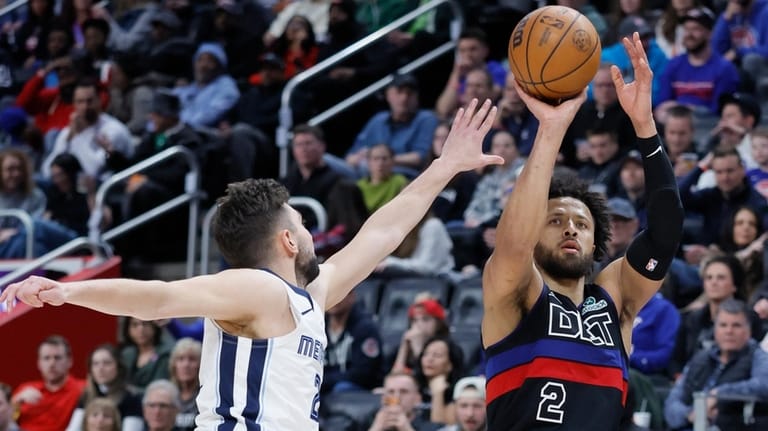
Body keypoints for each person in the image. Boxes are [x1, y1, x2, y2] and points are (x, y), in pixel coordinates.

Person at [1, 98, 502, 430]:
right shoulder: (256, 290)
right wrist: (68, 291)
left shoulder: (313, 294)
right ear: (287, 240)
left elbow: (385, 231)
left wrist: (445, 166)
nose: (311, 233)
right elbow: (160, 298)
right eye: (303, 224)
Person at [481, 33, 684, 429]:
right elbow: (513, 242)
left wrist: (644, 126)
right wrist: (551, 130)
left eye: (581, 223)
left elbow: (666, 228)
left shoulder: (615, 300)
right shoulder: (514, 294)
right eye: (554, 221)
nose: (570, 228)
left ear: (595, 244)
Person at [664, 299, 768, 430]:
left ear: (748, 330)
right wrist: (691, 414)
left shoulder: (758, 356)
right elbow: (672, 402)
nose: (729, 331)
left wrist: (719, 394)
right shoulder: (700, 358)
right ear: (715, 329)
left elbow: (764, 384)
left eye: (736, 325)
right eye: (723, 325)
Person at [11, 336, 85, 431]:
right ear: (39, 363)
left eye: (57, 358)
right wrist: (16, 401)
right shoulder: (25, 389)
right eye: (46, 358)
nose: (52, 363)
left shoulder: (82, 389)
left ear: (69, 361)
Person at [66, 344, 142, 431]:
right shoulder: (86, 395)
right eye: (95, 364)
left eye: (107, 363)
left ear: (119, 367)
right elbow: (74, 429)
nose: (100, 368)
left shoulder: (131, 398)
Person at [322, 290, 383, 394]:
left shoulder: (365, 327)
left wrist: (323, 381)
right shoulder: (318, 325)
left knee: (341, 388)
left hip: (359, 388)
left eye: (339, 294)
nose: (334, 299)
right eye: (330, 295)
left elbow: (363, 373)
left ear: (352, 296)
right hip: (325, 384)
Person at [366, 372, 442, 431]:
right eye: (391, 392)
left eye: (404, 392)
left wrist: (407, 429)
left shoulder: (432, 427)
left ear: (417, 399)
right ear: (383, 398)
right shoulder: (366, 422)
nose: (396, 397)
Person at [168, 338, 201, 431]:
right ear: (174, 365)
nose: (186, 364)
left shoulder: (208, 396)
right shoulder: (167, 395)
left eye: (192, 359)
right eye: (181, 359)